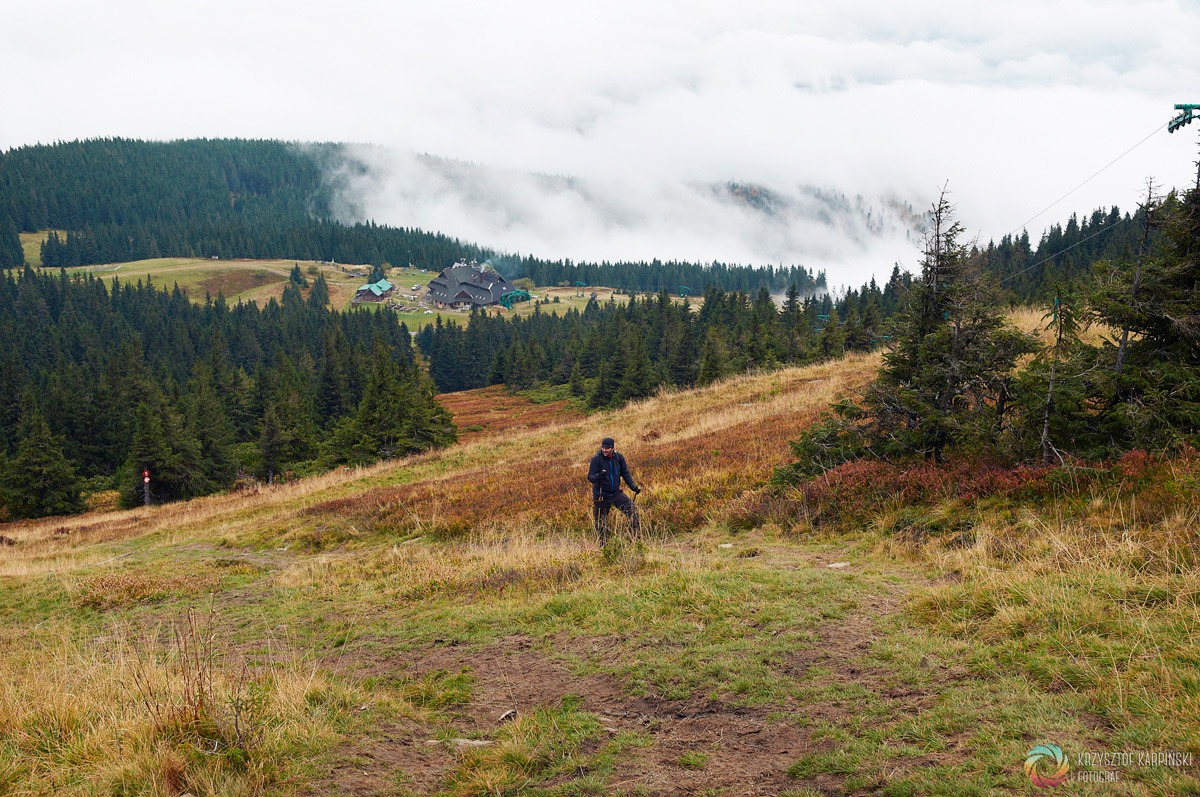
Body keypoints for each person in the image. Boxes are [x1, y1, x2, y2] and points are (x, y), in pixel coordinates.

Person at [587, 436, 641, 545]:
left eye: (607, 448)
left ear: (612, 448)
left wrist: (633, 487)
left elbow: (625, 473)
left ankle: (635, 540)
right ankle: (603, 545)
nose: (604, 450)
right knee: (601, 522)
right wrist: (599, 476)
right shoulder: (596, 459)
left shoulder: (619, 457)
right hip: (601, 495)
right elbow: (590, 477)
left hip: (616, 493)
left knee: (633, 511)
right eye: (603, 447)